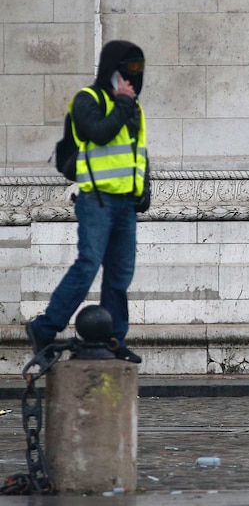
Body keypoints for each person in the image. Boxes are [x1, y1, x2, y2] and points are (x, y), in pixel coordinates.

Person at [25, 40, 150, 364]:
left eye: (139, 71)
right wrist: (122, 104)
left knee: (120, 275)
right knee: (88, 264)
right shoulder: (87, 100)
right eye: (128, 71)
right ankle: (45, 327)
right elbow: (98, 133)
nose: (133, 79)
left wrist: (143, 190)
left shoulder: (134, 108)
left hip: (125, 203)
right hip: (96, 199)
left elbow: (138, 154)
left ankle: (114, 339)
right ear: (112, 71)